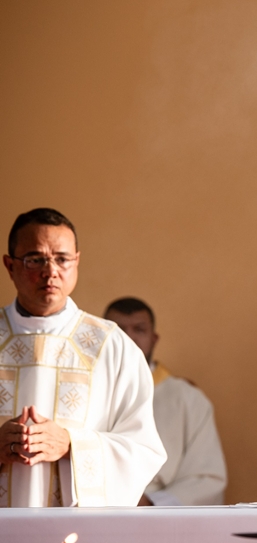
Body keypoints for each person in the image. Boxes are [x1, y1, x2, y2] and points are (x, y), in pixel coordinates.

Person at [0, 208, 165, 507]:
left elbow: (142, 451)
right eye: (35, 259)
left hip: (75, 529)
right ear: (10, 266)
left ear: (76, 262)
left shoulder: (111, 346)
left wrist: (71, 446)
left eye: (62, 259)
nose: (50, 271)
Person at [105, 297, 227, 506]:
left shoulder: (187, 398)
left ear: (154, 339)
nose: (129, 338)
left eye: (139, 330)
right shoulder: (81, 392)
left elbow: (207, 477)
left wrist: (153, 502)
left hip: (161, 509)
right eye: (119, 330)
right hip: (96, 506)